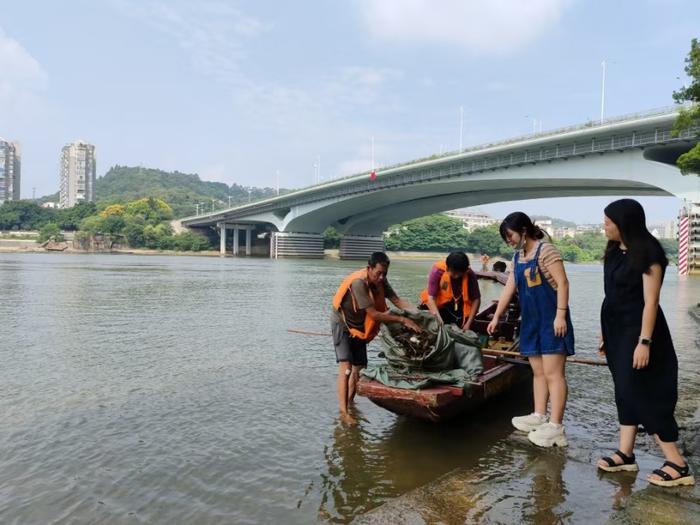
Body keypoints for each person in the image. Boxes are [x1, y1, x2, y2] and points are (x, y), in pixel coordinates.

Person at [596, 199, 694, 487]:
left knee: (645, 391)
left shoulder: (648, 254)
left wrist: (645, 341)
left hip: (640, 332)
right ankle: (626, 454)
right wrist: (605, 333)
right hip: (615, 329)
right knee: (623, 390)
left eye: (608, 221)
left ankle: (678, 463)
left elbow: (651, 302)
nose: (604, 226)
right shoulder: (614, 251)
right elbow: (612, 295)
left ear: (623, 223)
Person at [487, 212, 574, 447]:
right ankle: (538, 415)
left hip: (552, 319)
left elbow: (563, 283)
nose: (509, 241)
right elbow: (509, 289)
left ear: (524, 231)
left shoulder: (547, 251)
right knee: (538, 372)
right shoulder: (517, 258)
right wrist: (496, 316)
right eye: (506, 238)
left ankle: (556, 426)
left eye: (511, 236)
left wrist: (561, 315)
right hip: (531, 321)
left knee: (554, 374)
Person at [331, 252, 421, 424]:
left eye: (384, 274)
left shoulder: (381, 281)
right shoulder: (359, 283)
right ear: (369, 268)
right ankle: (343, 413)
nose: (381, 277)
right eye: (378, 273)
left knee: (359, 367)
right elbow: (373, 314)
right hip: (342, 323)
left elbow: (397, 301)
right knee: (347, 367)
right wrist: (402, 319)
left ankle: (350, 403)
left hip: (359, 326)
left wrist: (419, 315)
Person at [419, 251, 481, 330]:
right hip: (438, 303)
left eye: (459, 274)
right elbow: (431, 298)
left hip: (456, 303)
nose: (456, 277)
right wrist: (438, 318)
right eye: (454, 273)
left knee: (462, 324)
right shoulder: (437, 271)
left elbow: (476, 299)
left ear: (466, 270)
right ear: (447, 268)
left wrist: (468, 323)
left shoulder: (470, 274)